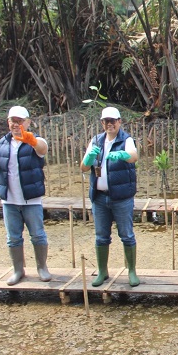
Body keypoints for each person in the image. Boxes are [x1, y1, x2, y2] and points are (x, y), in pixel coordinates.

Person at [0, 106, 51, 286]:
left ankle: (42, 267)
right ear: (8, 123)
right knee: (13, 237)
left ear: (27, 122)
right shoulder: (0, 144)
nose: (16, 124)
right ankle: (18, 270)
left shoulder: (36, 141)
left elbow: (43, 150)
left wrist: (31, 141)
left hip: (31, 199)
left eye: (19, 121)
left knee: (38, 235)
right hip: (9, 200)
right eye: (12, 121)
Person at [79, 107, 140, 287]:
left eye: (113, 121)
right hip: (99, 198)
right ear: (101, 123)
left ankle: (131, 271)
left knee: (127, 235)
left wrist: (123, 154)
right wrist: (89, 159)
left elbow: (134, 156)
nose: (109, 124)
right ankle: (102, 271)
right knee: (101, 236)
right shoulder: (96, 141)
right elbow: (83, 167)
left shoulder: (126, 139)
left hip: (121, 197)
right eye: (106, 121)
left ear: (119, 122)